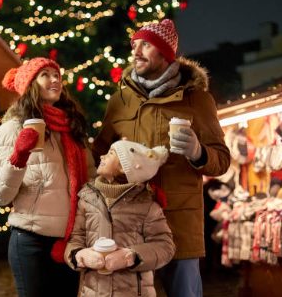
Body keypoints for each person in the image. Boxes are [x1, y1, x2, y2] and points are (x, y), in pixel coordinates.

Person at [92, 19, 231, 296]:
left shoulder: (197, 100)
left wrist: (198, 152)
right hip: (130, 226)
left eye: (146, 44)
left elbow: (222, 160)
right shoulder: (119, 101)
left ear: (166, 53)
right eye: (134, 45)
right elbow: (99, 155)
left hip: (178, 223)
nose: (136, 51)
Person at [0, 57, 95, 297]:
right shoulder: (13, 128)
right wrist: (19, 156)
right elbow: (0, 195)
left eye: (57, 75)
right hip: (31, 241)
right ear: (30, 84)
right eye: (45, 74)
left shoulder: (72, 127)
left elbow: (91, 181)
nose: (55, 79)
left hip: (70, 242)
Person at [65, 139, 176, 296]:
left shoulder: (147, 205)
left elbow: (165, 246)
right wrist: (79, 255)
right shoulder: (87, 198)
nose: (102, 156)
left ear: (124, 168)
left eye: (110, 153)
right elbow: (76, 238)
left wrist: (130, 257)